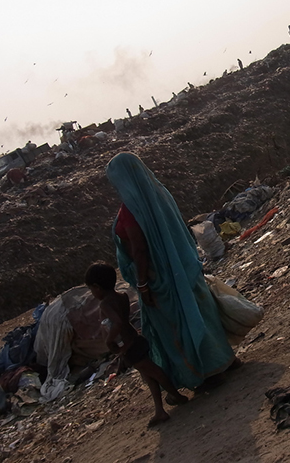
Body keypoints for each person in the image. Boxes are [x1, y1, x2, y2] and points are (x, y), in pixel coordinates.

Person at [105, 152, 238, 393]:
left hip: (160, 280)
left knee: (177, 325)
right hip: (183, 266)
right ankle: (225, 361)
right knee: (200, 313)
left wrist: (143, 284)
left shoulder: (131, 209)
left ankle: (204, 373)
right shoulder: (159, 194)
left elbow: (140, 249)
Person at [85, 262, 188, 427]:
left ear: (97, 287)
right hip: (135, 339)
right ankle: (159, 410)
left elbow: (117, 323)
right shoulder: (122, 296)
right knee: (149, 377)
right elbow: (124, 320)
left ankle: (176, 395)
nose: (92, 293)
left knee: (154, 372)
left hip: (129, 347)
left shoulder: (105, 304)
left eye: (91, 289)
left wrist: (109, 340)